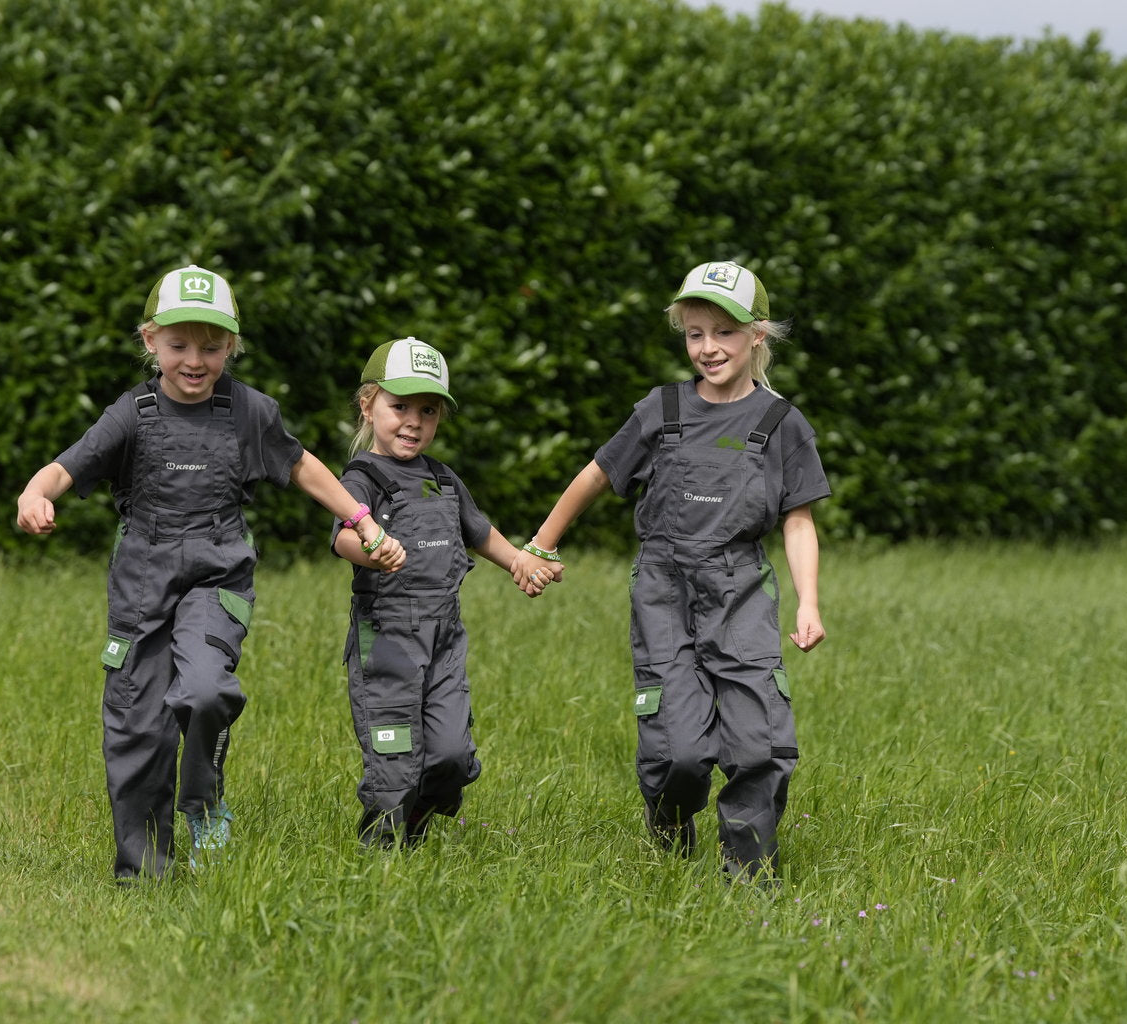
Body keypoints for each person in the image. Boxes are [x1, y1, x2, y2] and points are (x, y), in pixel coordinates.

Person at [16, 264, 404, 882]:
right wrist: (36, 495)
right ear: (151, 341)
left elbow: (302, 466)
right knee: (137, 725)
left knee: (204, 691)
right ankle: (146, 874)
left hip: (216, 576)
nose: (195, 361)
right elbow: (65, 467)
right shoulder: (132, 413)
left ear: (232, 345)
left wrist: (362, 518)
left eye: (212, 346)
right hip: (142, 583)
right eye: (179, 345)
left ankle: (202, 800)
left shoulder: (247, 411)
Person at [511, 259, 829, 884]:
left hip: (741, 590)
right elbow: (596, 474)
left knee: (758, 744)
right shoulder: (662, 410)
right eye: (694, 333)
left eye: (724, 332)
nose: (708, 348)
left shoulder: (780, 423)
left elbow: (798, 520)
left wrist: (809, 602)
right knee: (678, 750)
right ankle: (669, 830)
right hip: (664, 590)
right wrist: (541, 544)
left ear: (757, 335)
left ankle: (749, 878)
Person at [333, 336, 564, 848]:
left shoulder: (442, 478)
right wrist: (372, 547)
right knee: (395, 762)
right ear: (368, 406)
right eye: (400, 406)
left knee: (452, 757)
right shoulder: (362, 478)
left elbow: (479, 533)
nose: (413, 422)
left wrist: (521, 562)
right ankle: (380, 856)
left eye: (428, 410)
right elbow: (343, 536)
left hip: (443, 638)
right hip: (386, 639)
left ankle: (417, 820)